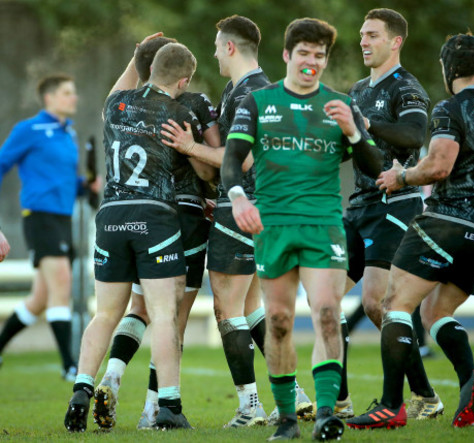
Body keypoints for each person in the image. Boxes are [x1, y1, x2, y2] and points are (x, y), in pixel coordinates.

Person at [347, 32, 474, 430]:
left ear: (448, 69)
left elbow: (438, 167)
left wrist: (402, 175)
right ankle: (470, 379)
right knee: (436, 311)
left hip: (446, 223)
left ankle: (391, 404)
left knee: (393, 305)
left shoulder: (451, 108)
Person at [221, 17, 382, 441]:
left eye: (319, 55)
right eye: (304, 53)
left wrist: (353, 130)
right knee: (277, 320)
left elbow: (374, 168)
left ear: (325, 60)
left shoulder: (340, 105)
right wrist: (238, 197)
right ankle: (288, 419)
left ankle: (327, 414)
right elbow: (231, 158)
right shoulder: (258, 102)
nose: (312, 61)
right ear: (287, 56)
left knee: (328, 312)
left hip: (323, 225)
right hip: (272, 225)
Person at [162, 15, 314, 428]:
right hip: (262, 206)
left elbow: (242, 158)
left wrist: (190, 146)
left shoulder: (252, 92)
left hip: (246, 206)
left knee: (226, 308)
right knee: (250, 307)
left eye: (216, 45)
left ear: (230, 47)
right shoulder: (244, 90)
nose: (213, 53)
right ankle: (294, 391)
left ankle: (250, 407)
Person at [64, 42, 203, 432]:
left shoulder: (115, 105)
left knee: (106, 314)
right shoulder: (178, 111)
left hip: (110, 218)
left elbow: (118, 88)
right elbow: (204, 172)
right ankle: (169, 408)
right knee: (162, 314)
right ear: (184, 79)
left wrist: (137, 56)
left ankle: (80, 392)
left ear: (144, 68)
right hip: (154, 216)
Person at [340, 7, 442, 421]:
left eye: (373, 35)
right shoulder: (357, 89)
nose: (363, 41)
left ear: (395, 41)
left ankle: (416, 399)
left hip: (396, 206)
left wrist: (369, 124)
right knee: (326, 300)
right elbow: (356, 153)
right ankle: (339, 402)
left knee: (376, 304)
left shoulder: (407, 88)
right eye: (362, 34)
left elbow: (415, 136)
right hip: (360, 205)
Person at [0, 74, 99, 379]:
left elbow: (67, 183)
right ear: (50, 98)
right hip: (39, 218)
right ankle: (70, 365)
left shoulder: (68, 134)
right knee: (62, 285)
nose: (74, 98)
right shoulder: (29, 129)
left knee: (40, 299)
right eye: (68, 93)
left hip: (63, 219)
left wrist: (87, 187)